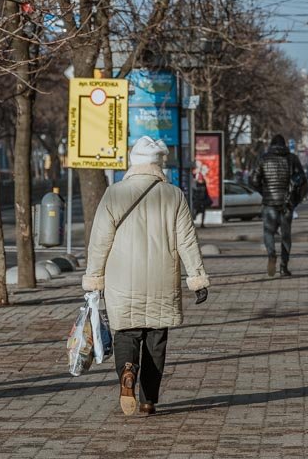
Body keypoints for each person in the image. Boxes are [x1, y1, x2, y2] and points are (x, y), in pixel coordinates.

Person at [83, 136, 210, 417]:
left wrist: (94, 279)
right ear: (158, 164)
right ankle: (148, 400)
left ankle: (128, 370)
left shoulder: (114, 193)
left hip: (122, 279)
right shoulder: (173, 194)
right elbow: (187, 240)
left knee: (127, 332)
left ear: (133, 163)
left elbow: (99, 241)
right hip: (162, 277)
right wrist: (197, 278)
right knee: (156, 338)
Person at [251, 134, 308, 277]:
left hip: (269, 203)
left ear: (271, 144)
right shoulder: (292, 158)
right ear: (285, 144)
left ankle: (271, 254)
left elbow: (253, 180)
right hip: (287, 203)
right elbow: (302, 179)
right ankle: (284, 267)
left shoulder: (263, 158)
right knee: (286, 235)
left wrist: (264, 192)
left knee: (268, 231)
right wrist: (296, 199)